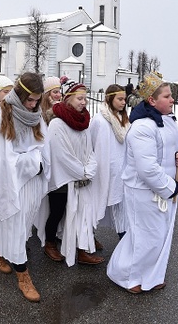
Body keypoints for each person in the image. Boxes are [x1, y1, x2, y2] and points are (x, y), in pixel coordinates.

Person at [106, 72, 178, 294]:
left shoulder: (168, 121)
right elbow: (147, 168)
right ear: (152, 101)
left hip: (164, 189)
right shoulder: (142, 127)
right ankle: (127, 276)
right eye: (167, 96)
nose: (172, 100)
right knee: (144, 236)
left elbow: (172, 153)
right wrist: (171, 188)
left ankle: (151, 276)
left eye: (171, 96)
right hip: (143, 191)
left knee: (159, 236)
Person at [0, 73, 48, 302]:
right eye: (29, 100)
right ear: (19, 94)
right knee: (13, 228)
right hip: (9, 183)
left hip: (31, 183)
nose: (33, 105)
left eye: (36, 100)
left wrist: (39, 162)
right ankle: (23, 276)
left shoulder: (36, 116)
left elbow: (44, 145)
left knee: (22, 228)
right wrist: (32, 161)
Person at [42, 79, 106, 266]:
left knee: (81, 213)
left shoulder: (83, 121)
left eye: (85, 98)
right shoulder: (57, 124)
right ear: (68, 99)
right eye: (79, 98)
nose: (83, 102)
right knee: (57, 210)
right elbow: (62, 155)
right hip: (62, 177)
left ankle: (82, 249)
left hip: (81, 176)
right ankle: (50, 242)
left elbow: (89, 150)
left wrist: (89, 169)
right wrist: (83, 173)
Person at [89, 84, 130, 240]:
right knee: (97, 205)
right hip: (103, 170)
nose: (123, 102)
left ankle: (124, 239)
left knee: (120, 206)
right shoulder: (99, 120)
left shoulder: (123, 120)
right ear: (110, 98)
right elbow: (91, 144)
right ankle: (87, 239)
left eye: (124, 99)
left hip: (120, 171)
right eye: (119, 99)